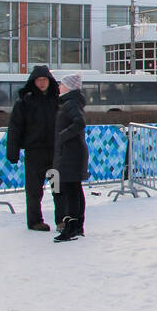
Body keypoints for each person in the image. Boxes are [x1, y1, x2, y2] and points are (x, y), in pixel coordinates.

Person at [6, 64, 59, 231]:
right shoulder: (25, 102)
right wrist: (12, 151)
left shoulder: (57, 100)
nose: (42, 83)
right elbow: (15, 127)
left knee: (58, 188)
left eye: (44, 80)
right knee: (34, 190)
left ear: (50, 81)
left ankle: (62, 220)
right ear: (33, 81)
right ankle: (35, 221)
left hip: (54, 152)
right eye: (39, 80)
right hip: (34, 152)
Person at [52, 73, 89, 243]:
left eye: (62, 84)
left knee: (70, 191)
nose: (59, 87)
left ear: (69, 87)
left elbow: (79, 122)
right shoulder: (71, 102)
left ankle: (71, 226)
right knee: (74, 189)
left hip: (71, 154)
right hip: (73, 152)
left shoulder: (70, 103)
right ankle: (77, 225)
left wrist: (63, 135)